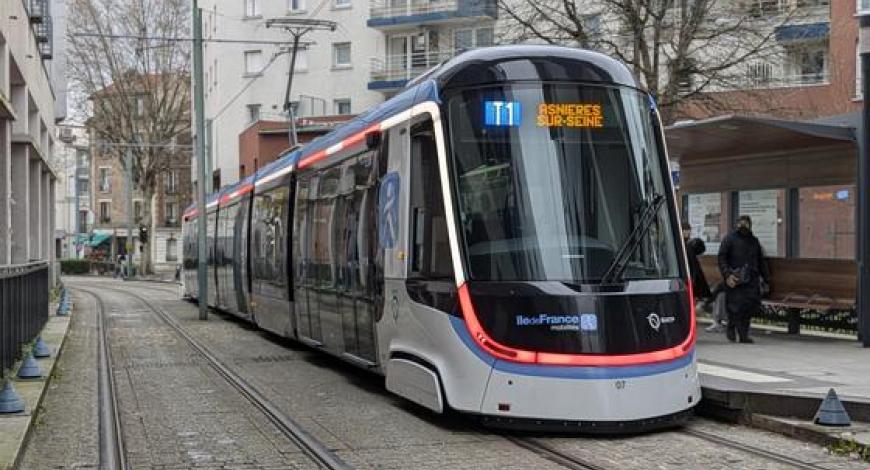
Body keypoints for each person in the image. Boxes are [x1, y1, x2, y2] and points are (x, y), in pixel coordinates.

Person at [717, 215, 770, 343]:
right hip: (735, 279)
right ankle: (731, 327)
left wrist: (766, 278)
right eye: (741, 224)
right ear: (737, 225)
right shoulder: (729, 239)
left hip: (751, 279)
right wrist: (727, 274)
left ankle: (743, 334)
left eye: (746, 224)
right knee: (735, 307)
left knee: (748, 307)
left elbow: (760, 261)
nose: (743, 226)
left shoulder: (754, 241)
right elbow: (722, 258)